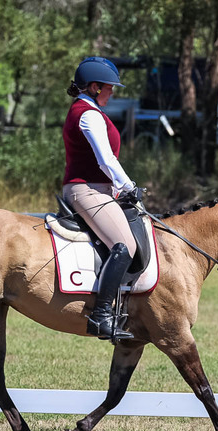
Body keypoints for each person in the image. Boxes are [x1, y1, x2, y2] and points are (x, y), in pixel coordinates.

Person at [62, 57, 139, 341]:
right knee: (125, 244)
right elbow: (105, 159)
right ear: (95, 87)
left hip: (98, 188)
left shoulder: (90, 110)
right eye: (110, 87)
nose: (113, 92)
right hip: (86, 189)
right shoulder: (88, 114)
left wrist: (118, 189)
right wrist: (128, 185)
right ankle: (101, 315)